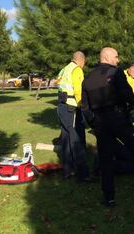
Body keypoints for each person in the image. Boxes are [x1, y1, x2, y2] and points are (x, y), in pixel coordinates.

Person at [81, 47, 134, 207]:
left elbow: (84, 107)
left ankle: (109, 197)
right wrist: (133, 105)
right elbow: (126, 92)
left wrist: (94, 122)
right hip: (118, 118)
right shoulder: (116, 72)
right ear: (106, 57)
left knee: (106, 158)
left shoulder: (88, 78)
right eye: (116, 56)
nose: (118, 60)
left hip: (100, 122)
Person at [57, 51, 89, 182]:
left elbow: (59, 83)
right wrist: (84, 106)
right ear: (82, 60)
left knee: (65, 138)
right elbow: (78, 90)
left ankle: (67, 170)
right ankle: (82, 174)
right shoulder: (77, 70)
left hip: (61, 106)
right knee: (75, 140)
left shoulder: (64, 69)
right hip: (72, 108)